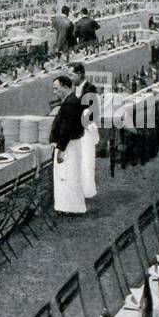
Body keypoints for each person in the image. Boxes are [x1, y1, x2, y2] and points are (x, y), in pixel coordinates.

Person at [49, 74, 88, 215]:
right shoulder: (71, 100)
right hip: (71, 145)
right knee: (70, 176)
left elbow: (67, 128)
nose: (55, 92)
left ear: (65, 87)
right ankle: (69, 207)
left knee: (67, 176)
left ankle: (70, 208)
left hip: (68, 146)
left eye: (56, 88)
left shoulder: (70, 103)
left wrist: (60, 148)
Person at [70, 61, 100, 200]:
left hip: (86, 130)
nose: (70, 78)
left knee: (87, 161)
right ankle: (80, 189)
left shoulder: (90, 88)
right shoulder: (75, 88)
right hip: (77, 129)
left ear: (80, 74)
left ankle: (88, 192)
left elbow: (92, 112)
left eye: (71, 75)